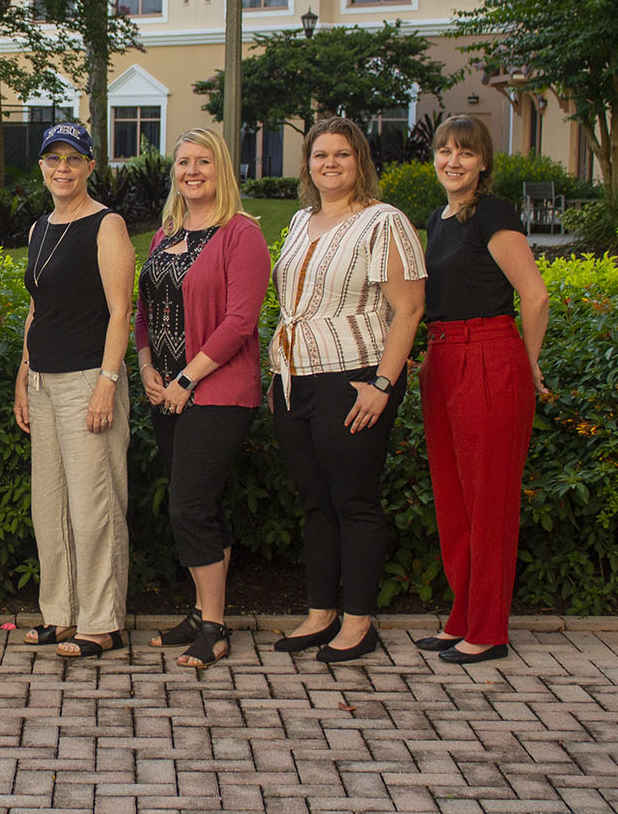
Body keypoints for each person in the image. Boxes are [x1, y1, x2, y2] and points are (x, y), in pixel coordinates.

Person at [268, 116, 426, 663]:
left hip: (354, 377)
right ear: (307, 164)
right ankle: (320, 613)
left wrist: (384, 384)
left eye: (341, 154)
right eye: (319, 155)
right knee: (314, 503)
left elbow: (409, 308)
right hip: (292, 380)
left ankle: (358, 621)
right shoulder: (299, 220)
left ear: (360, 162)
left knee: (354, 502)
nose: (329, 164)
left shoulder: (383, 222)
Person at [416, 115, 548, 665]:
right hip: (442, 357)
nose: (453, 161)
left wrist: (528, 364)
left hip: (489, 355)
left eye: (465, 153)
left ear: (483, 162)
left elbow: (534, 297)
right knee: (453, 500)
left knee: (488, 501)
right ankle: (462, 616)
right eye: (445, 151)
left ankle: (489, 629)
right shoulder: (438, 219)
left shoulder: (492, 214)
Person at [134, 129, 269, 668]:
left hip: (216, 391)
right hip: (165, 392)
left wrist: (186, 379)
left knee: (189, 506)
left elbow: (241, 320)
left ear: (221, 169)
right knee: (201, 505)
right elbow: (144, 312)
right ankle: (200, 611)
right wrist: (145, 368)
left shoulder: (241, 234)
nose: (192, 170)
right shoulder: (164, 235)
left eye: (203, 161)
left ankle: (213, 627)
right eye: (183, 161)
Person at [13, 122, 135, 660]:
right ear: (41, 166)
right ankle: (60, 615)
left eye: (73, 158)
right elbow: (38, 308)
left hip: (89, 379)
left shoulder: (106, 225)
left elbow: (120, 312)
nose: (61, 168)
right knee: (51, 507)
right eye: (52, 158)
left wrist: (106, 385)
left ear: (90, 166)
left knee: (95, 506)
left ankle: (102, 621)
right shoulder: (41, 227)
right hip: (42, 381)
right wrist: (23, 372)